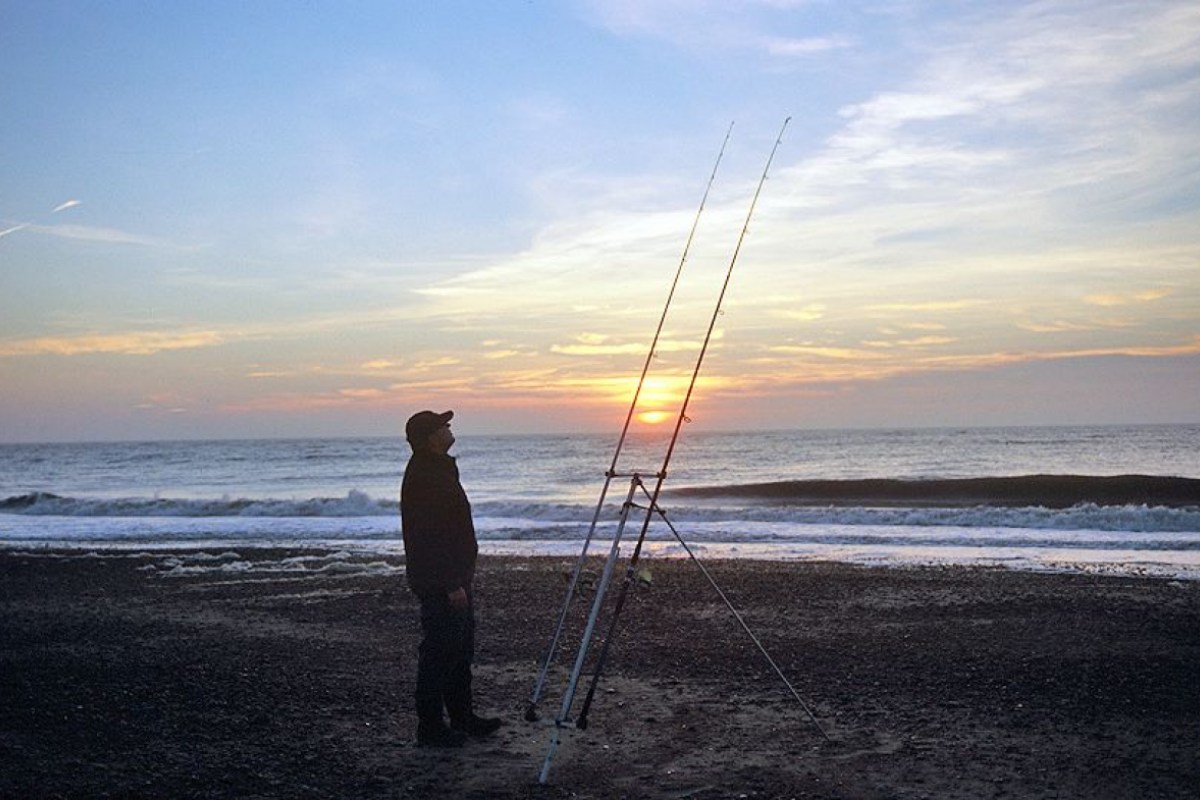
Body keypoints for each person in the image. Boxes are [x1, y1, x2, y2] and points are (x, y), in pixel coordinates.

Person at [400, 409, 502, 748]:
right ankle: (430, 727)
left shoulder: (439, 469)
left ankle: (462, 717)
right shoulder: (426, 476)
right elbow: (430, 536)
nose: (448, 427)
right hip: (441, 580)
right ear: (431, 437)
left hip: (454, 575)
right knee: (440, 651)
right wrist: (450, 583)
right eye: (442, 425)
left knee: (459, 650)